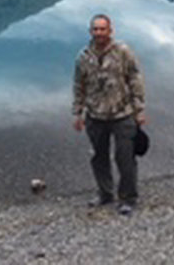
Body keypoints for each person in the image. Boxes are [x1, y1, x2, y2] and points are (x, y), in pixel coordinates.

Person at [72, 14, 146, 215]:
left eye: (102, 29)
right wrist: (77, 113)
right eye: (95, 29)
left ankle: (128, 198)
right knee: (98, 157)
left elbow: (135, 79)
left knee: (125, 158)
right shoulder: (83, 56)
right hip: (95, 116)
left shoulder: (123, 52)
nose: (99, 33)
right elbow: (79, 86)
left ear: (110, 30)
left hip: (122, 114)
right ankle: (105, 193)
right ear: (90, 32)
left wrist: (139, 110)